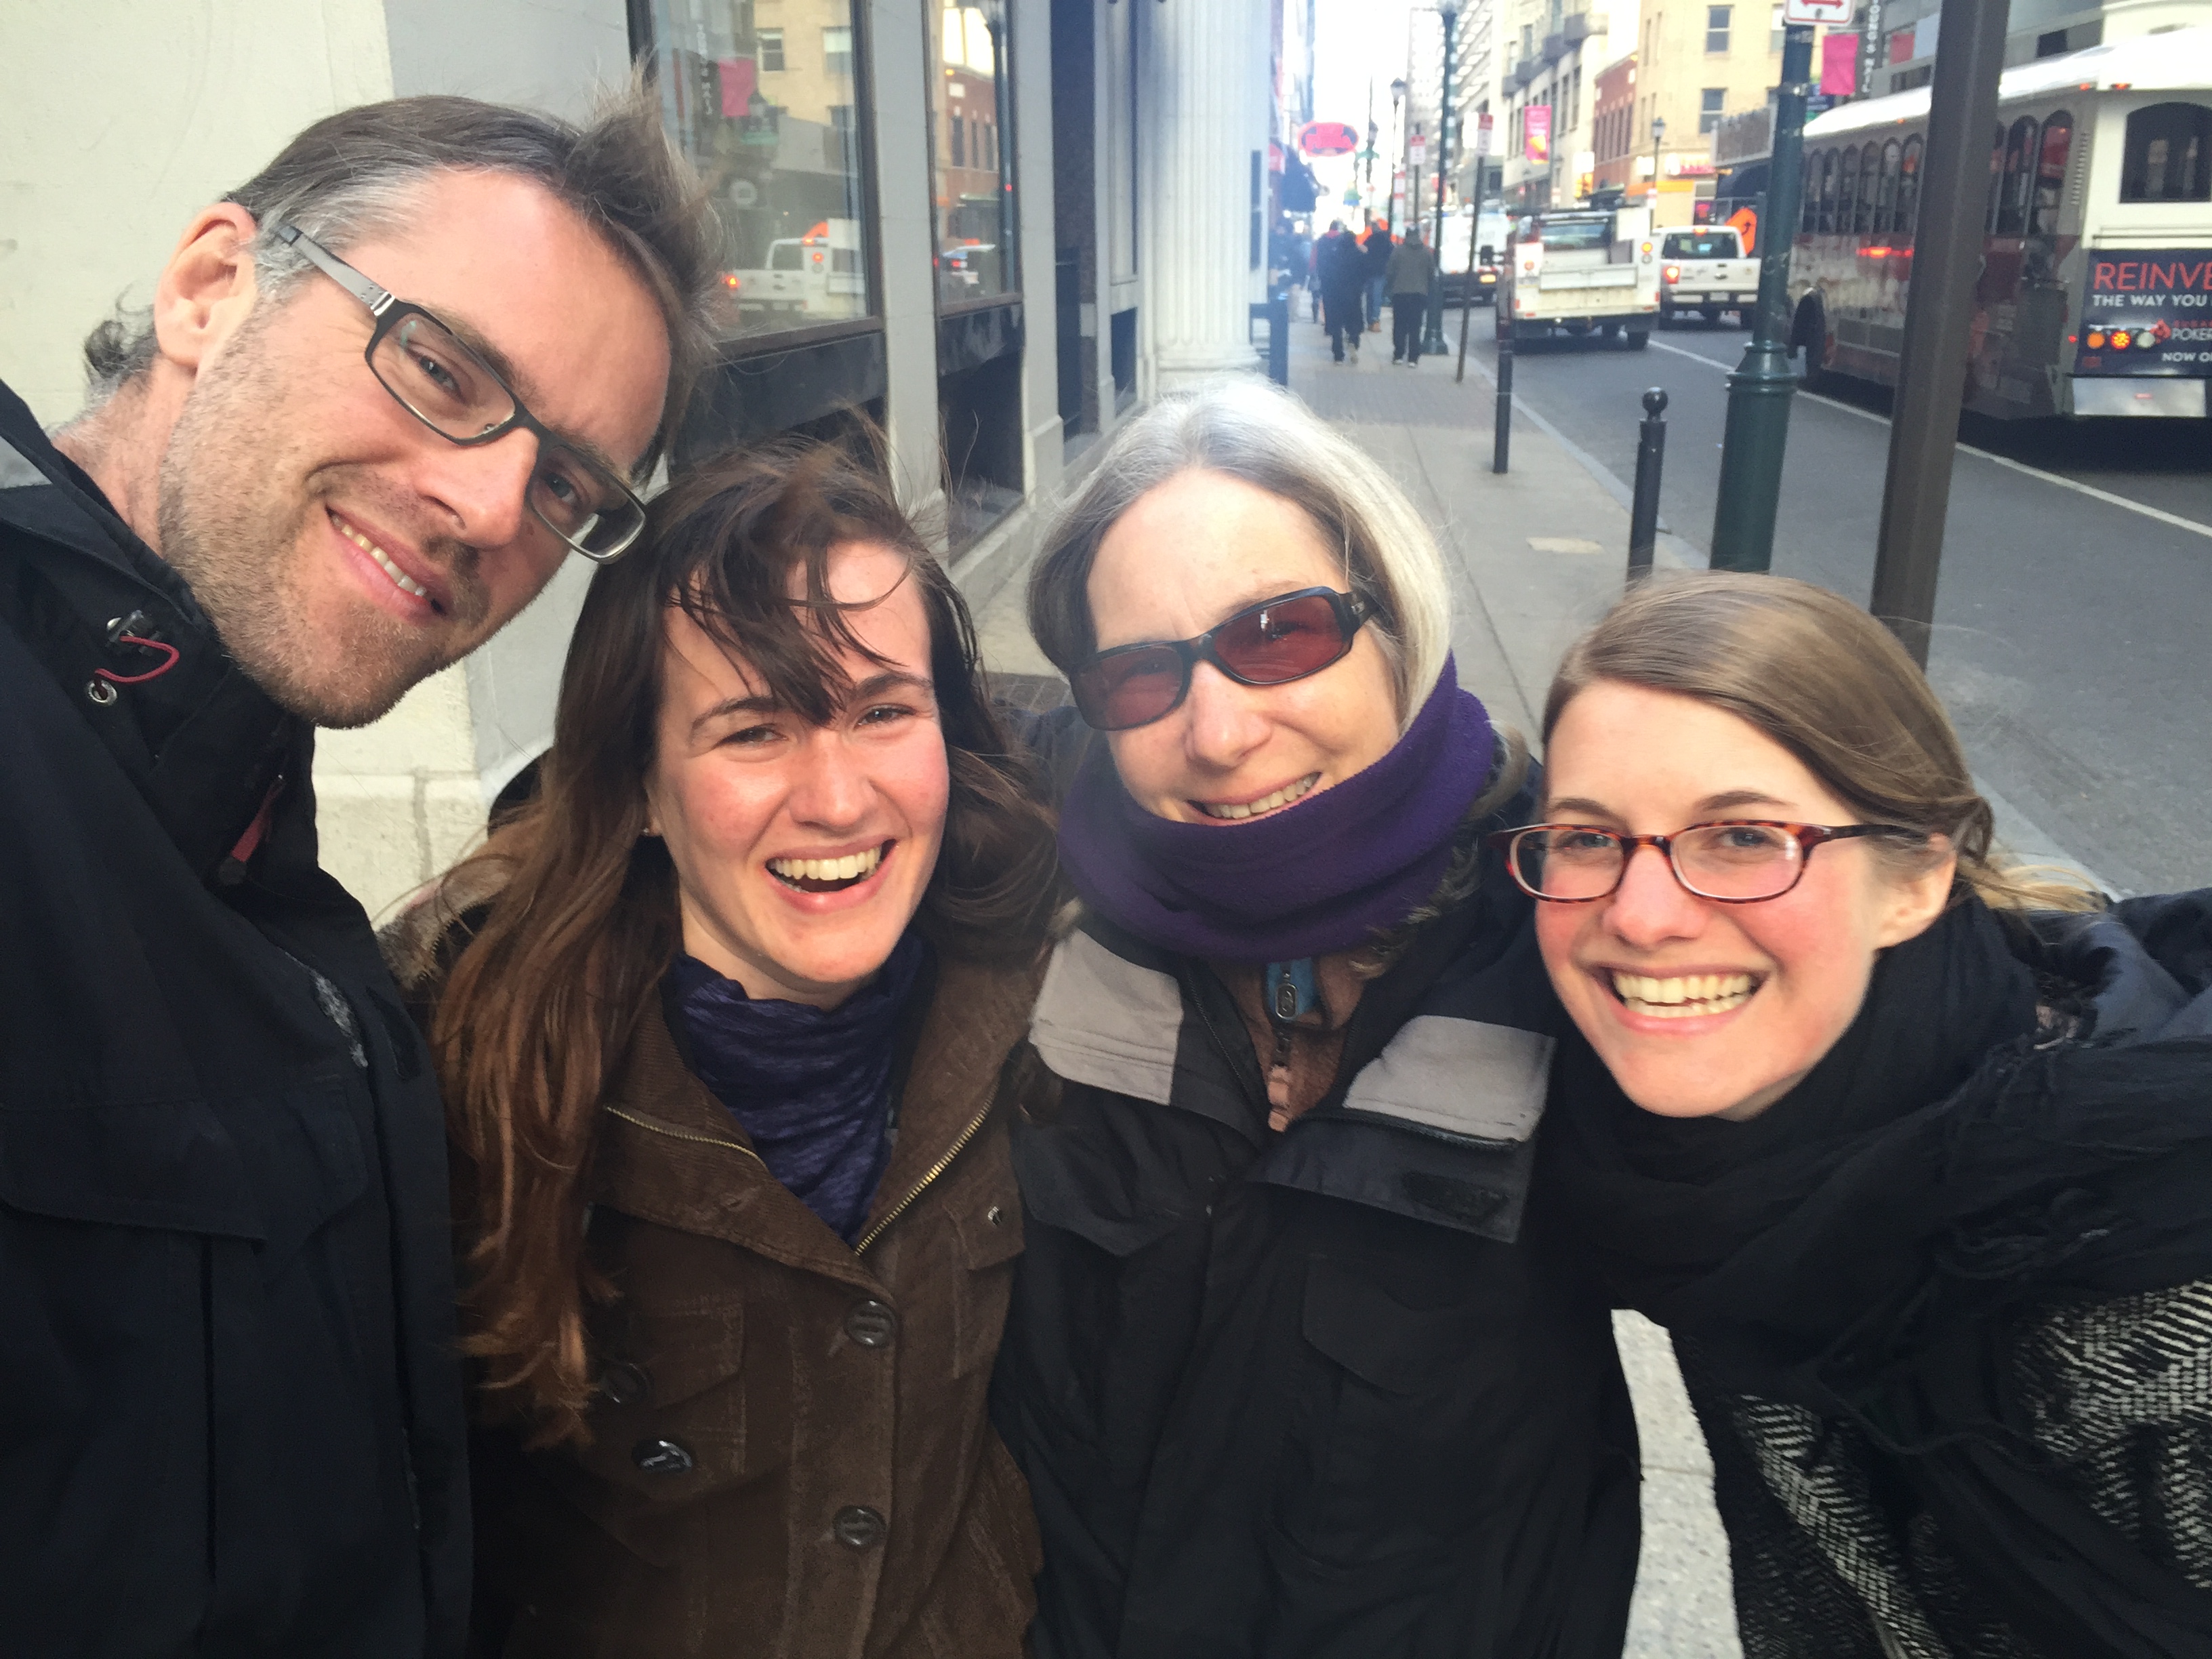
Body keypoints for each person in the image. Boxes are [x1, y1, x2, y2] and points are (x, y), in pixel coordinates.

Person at [0, 96, 714, 1655]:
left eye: (566, 487)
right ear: (210, 287)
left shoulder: (235, 803)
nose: (490, 509)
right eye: (444, 370)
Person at [990, 380, 1641, 1659]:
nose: (1220, 731)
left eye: (1278, 633)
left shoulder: (1568, 922)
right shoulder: (1021, 885)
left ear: (1393, 622)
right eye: (1140, 675)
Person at [388, 440, 1063, 1656]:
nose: (838, 799)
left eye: (883, 711)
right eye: (754, 730)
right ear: (641, 785)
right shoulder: (476, 1066)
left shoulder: (1031, 982)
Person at [1519, 573, 2212, 1657]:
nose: (1643, 917)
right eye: (1588, 838)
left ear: (1917, 880)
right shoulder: (1708, 1168)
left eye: (1742, 837)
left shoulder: (2155, 1269)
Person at [1316, 219, 1366, 363]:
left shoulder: (1334, 255)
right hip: (1354, 295)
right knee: (1354, 321)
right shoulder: (1358, 255)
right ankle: (1353, 341)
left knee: (1336, 325)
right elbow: (1365, 274)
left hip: (1336, 294)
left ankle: (1338, 354)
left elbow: (1326, 272)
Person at [1388, 227, 1439, 364]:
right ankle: (1413, 358)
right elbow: (1432, 273)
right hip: (1419, 293)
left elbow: (1390, 271)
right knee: (1415, 327)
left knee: (1400, 325)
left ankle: (1399, 355)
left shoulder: (1398, 251)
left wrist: (1392, 286)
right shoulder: (1426, 253)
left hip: (1400, 293)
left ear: (1406, 235)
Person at [1362, 219, 1394, 334]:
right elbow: (1391, 256)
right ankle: (1375, 321)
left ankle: (1370, 320)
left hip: (1369, 273)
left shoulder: (1370, 240)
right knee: (1376, 297)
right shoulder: (1386, 241)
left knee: (1370, 298)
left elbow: (1364, 253)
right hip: (1381, 273)